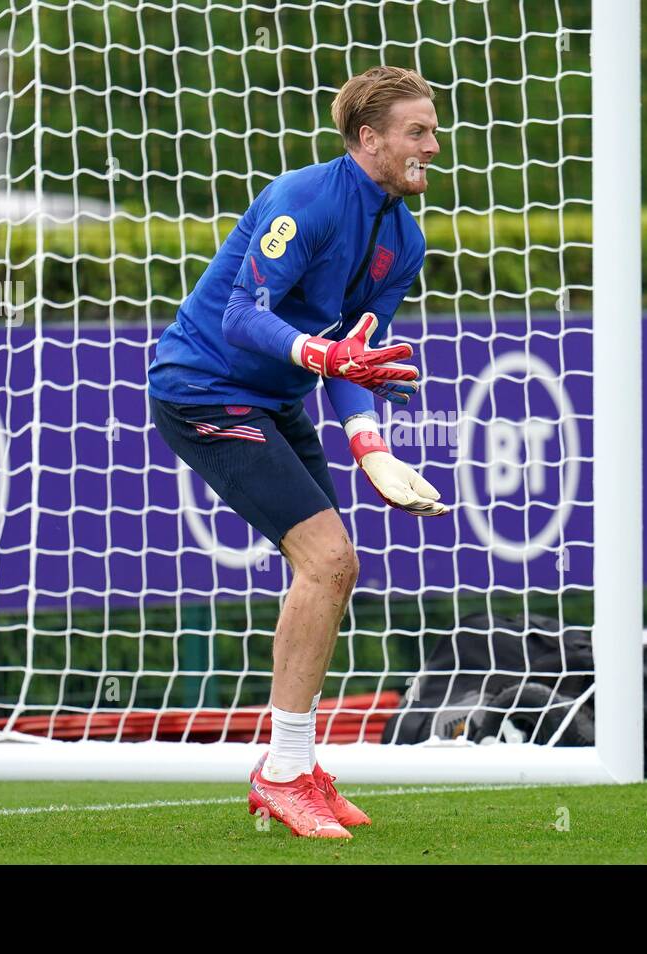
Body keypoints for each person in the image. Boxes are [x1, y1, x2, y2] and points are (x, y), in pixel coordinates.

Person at [148, 66, 445, 838]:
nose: (433, 147)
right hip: (201, 391)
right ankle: (281, 772)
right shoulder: (303, 198)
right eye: (417, 131)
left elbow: (360, 358)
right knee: (328, 561)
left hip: (276, 400)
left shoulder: (405, 237)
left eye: (434, 129)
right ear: (367, 137)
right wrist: (321, 356)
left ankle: (294, 764)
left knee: (335, 567)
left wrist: (372, 451)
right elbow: (244, 313)